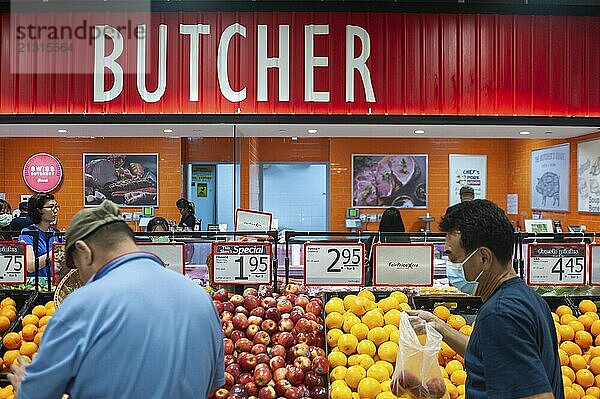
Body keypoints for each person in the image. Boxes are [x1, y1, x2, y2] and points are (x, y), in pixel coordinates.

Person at [8, 200, 224, 398]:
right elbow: (214, 386)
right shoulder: (201, 299)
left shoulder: (81, 305)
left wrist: (23, 387)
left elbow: (37, 395)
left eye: (77, 266)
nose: (81, 277)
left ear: (84, 251)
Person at [395, 200, 562, 399]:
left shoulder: (500, 314)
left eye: (454, 258)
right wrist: (438, 326)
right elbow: (490, 355)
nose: (451, 266)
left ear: (484, 258)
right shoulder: (527, 298)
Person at [19, 193, 61, 281]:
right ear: (39, 210)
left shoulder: (56, 233)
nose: (55, 210)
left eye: (56, 206)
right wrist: (52, 253)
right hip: (37, 286)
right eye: (51, 207)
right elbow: (30, 266)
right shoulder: (28, 233)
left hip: (54, 285)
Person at [365, 207, 410, 285]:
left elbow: (365, 255)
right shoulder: (405, 239)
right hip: (400, 277)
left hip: (377, 278)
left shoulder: (374, 239)